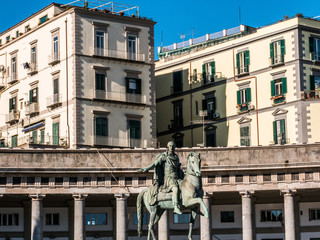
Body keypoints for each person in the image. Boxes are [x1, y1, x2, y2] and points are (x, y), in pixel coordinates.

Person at [138, 141, 184, 214]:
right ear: (167, 147)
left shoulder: (176, 157)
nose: (171, 147)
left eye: (172, 146)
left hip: (177, 178)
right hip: (168, 179)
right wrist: (147, 168)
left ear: (175, 147)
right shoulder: (164, 156)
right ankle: (175, 207)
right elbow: (155, 164)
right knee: (175, 188)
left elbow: (178, 169)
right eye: (169, 146)